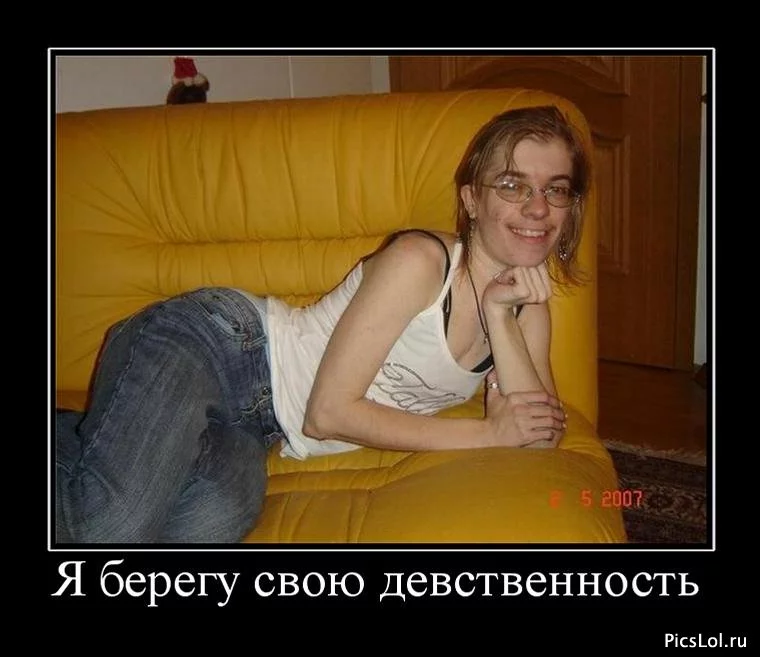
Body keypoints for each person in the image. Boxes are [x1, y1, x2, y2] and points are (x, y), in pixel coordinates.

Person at [55, 104, 591, 544]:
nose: (537, 208)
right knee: (109, 529)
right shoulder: (420, 262)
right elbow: (328, 413)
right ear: (472, 199)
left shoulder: (526, 308)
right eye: (513, 185)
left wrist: (499, 314)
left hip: (255, 428)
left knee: (204, 526)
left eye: (556, 189)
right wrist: (485, 434)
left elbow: (537, 439)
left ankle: (86, 430)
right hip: (214, 346)